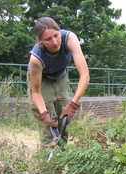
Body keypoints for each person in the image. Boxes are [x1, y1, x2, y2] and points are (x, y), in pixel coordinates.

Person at [28, 17, 90, 145]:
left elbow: (84, 74)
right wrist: (44, 114)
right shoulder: (36, 59)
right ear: (40, 41)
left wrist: (73, 104)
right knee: (49, 124)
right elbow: (35, 92)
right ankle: (48, 158)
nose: (55, 42)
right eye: (48, 39)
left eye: (56, 35)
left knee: (64, 118)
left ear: (59, 31)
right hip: (42, 80)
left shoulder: (70, 39)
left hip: (60, 76)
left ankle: (63, 156)